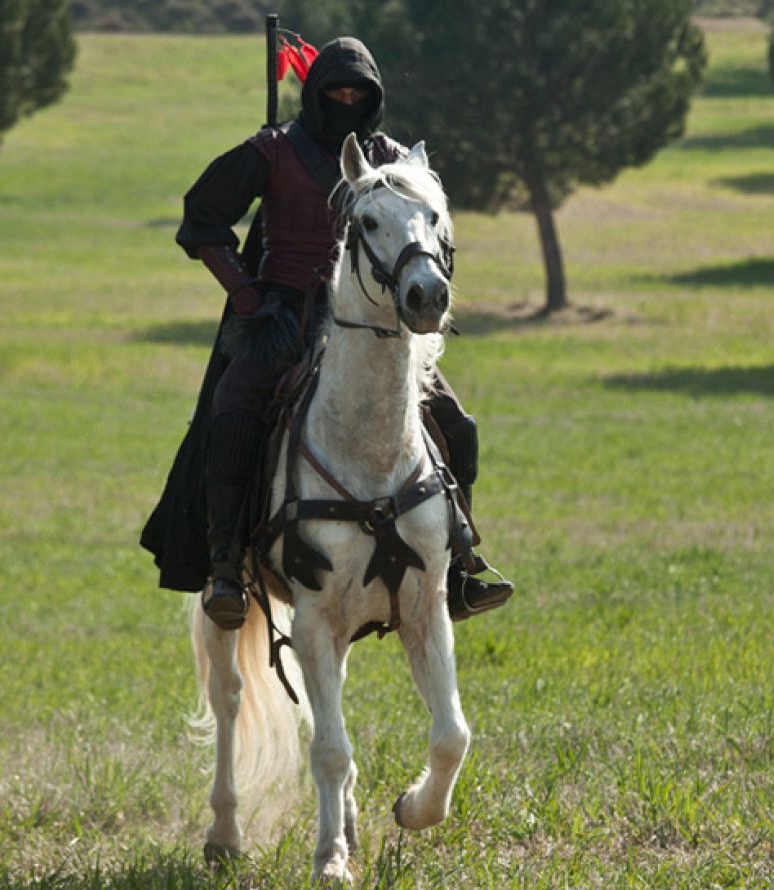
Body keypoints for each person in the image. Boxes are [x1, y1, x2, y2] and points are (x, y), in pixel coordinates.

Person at [141, 37, 512, 631]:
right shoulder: (272, 150)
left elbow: (431, 230)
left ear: (373, 98)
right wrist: (245, 291)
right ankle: (225, 567)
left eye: (357, 92)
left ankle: (461, 561)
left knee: (456, 424)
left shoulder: (392, 158)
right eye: (335, 91)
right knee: (233, 411)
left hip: (371, 323)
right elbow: (202, 217)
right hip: (284, 313)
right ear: (314, 94)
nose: (345, 99)